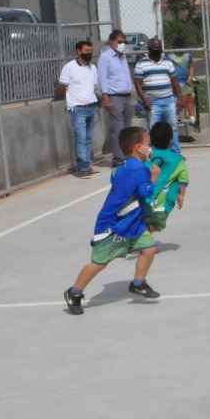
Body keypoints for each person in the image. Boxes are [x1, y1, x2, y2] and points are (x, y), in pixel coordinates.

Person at [63, 125, 162, 315]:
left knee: (149, 248)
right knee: (99, 262)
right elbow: (146, 192)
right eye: (148, 144)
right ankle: (74, 292)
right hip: (115, 226)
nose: (151, 149)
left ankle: (138, 283)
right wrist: (155, 177)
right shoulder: (139, 170)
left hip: (133, 222)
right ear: (139, 148)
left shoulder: (123, 167)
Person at [56, 40, 101, 178]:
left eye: (91, 50)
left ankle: (87, 164)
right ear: (78, 51)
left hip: (91, 106)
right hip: (77, 108)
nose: (90, 53)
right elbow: (61, 87)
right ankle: (82, 168)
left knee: (88, 138)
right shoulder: (69, 68)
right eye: (87, 51)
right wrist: (70, 101)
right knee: (80, 138)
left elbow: (93, 86)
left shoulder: (92, 68)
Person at [133, 37, 183, 154]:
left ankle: (176, 153)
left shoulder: (167, 62)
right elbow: (138, 83)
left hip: (168, 101)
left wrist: (179, 98)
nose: (158, 50)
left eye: (159, 48)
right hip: (152, 103)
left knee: (173, 128)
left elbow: (174, 81)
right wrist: (145, 101)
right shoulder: (141, 64)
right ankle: (156, 154)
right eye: (155, 48)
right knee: (154, 130)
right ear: (149, 49)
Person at [142, 121, 188, 233]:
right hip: (162, 200)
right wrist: (181, 195)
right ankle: (141, 233)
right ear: (171, 141)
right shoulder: (177, 160)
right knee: (158, 225)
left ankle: (138, 234)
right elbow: (183, 179)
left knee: (143, 218)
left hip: (144, 196)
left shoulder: (147, 155)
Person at [97, 30, 134, 168]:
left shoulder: (122, 56)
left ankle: (127, 155)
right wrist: (106, 97)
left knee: (127, 128)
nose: (122, 44)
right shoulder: (106, 57)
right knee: (118, 128)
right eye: (119, 41)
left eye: (124, 42)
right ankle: (118, 158)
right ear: (112, 42)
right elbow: (102, 78)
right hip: (115, 96)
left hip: (126, 96)